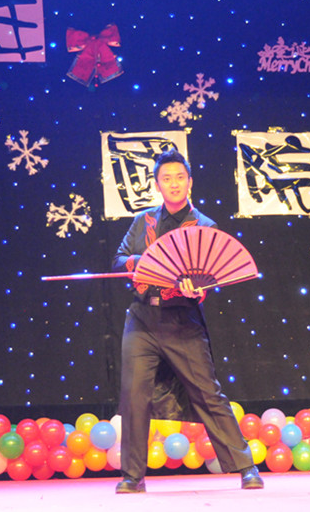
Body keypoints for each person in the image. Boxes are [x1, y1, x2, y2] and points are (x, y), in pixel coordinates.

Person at [111, 149, 263, 493]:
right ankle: (132, 476)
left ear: (190, 182)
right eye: (166, 178)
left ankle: (246, 466)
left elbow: (210, 276)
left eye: (180, 177)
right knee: (134, 395)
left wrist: (198, 288)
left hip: (182, 320)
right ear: (157, 184)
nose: (174, 184)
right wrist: (137, 261)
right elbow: (119, 260)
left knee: (208, 392)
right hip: (142, 319)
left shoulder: (205, 226)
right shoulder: (142, 221)